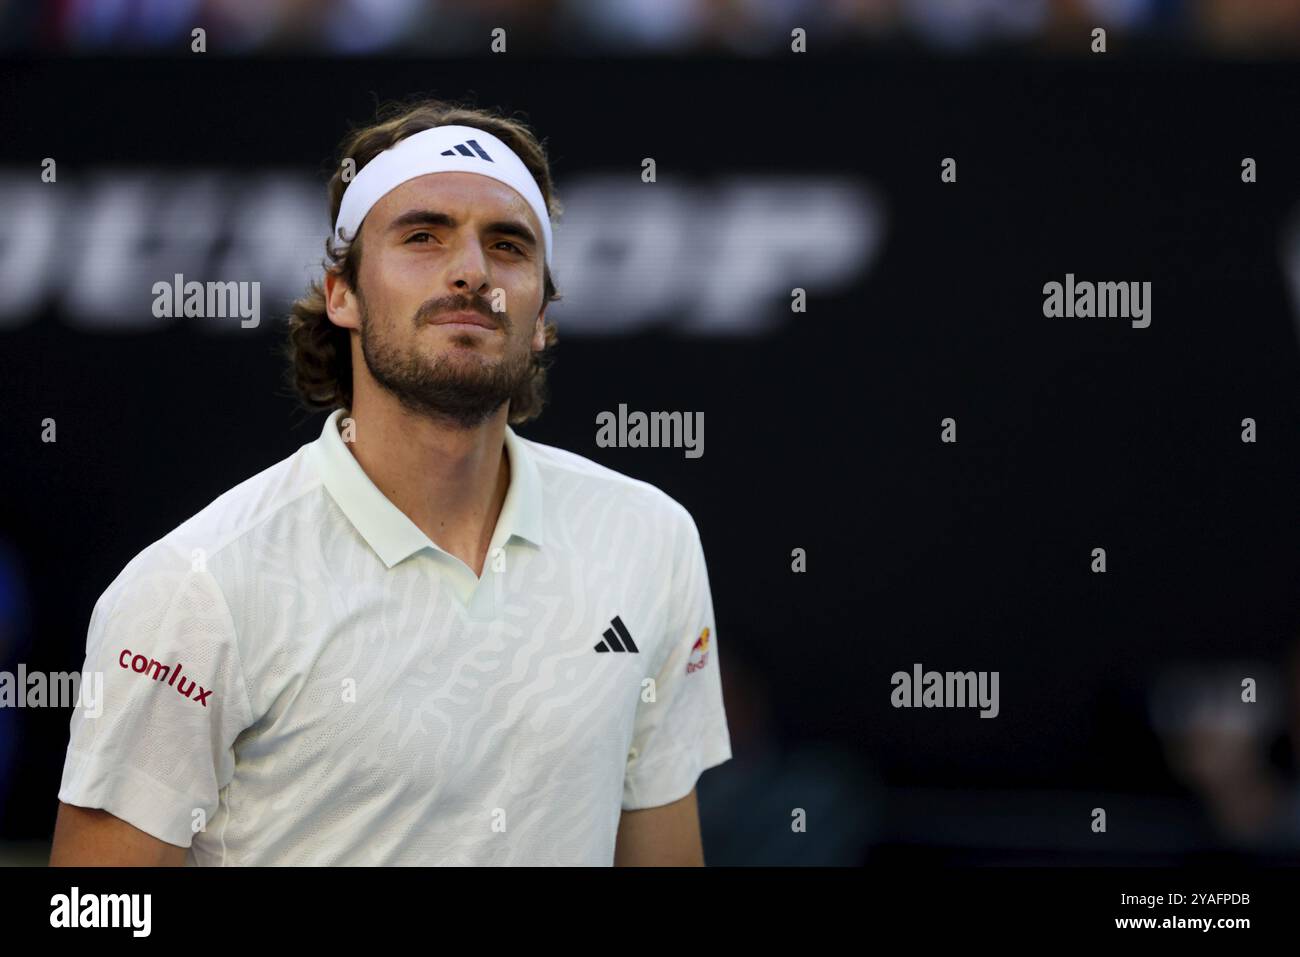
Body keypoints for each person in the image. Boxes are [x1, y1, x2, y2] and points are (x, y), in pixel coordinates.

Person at [50, 97, 731, 866]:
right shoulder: (195, 586)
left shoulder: (650, 537)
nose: (472, 271)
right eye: (422, 236)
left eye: (508, 245)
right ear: (341, 293)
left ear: (543, 313)